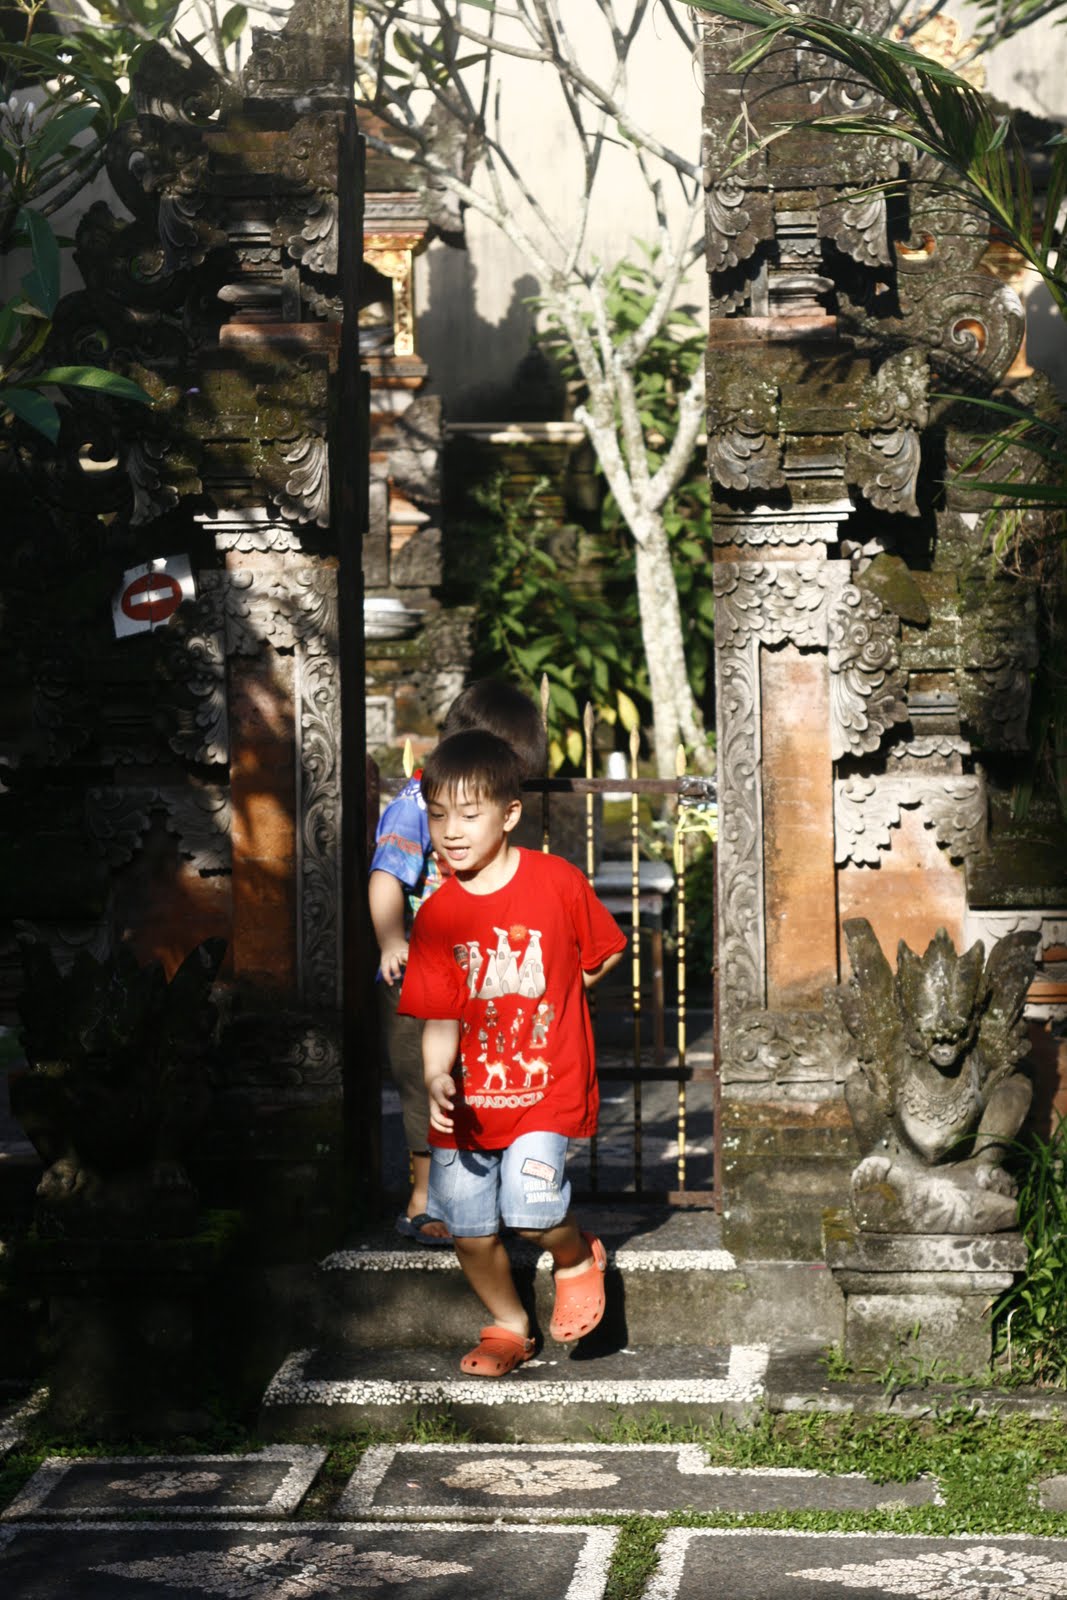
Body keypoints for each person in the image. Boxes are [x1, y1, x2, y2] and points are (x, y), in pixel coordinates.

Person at [398, 729, 626, 1376]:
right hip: (466, 1107)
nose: (451, 831)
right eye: (437, 815)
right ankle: (508, 1324)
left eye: (469, 815)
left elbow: (605, 950)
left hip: (545, 1090)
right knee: (469, 1231)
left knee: (530, 1211)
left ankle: (575, 1257)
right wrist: (436, 1077)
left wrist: (564, 986)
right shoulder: (437, 915)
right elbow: (440, 1016)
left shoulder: (556, 881)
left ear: (509, 814)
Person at [369, 680, 547, 1245]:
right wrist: (391, 940)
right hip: (418, 974)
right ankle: (422, 1198)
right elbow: (386, 876)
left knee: (477, 1081)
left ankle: (477, 1194)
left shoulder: (487, 809)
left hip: (479, 977)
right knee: (424, 1084)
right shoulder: (417, 804)